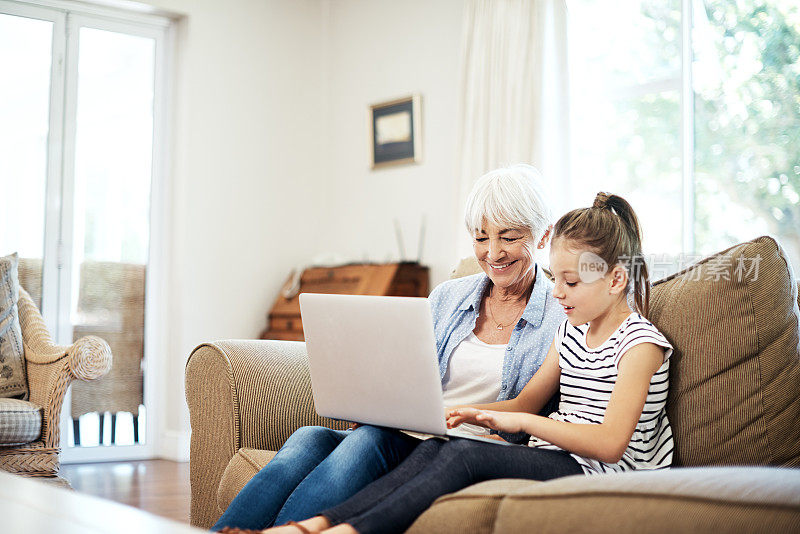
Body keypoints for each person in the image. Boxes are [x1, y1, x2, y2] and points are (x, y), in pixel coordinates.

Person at [258, 192, 674, 534]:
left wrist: (525, 426)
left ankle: (344, 531)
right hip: (560, 455)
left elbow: (609, 444)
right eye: (556, 278)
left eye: (571, 283)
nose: (559, 293)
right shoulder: (572, 331)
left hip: (605, 473)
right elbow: (525, 402)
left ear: (616, 280)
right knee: (443, 446)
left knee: (463, 456)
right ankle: (315, 524)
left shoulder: (640, 345)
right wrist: (467, 414)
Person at [211, 164, 565, 532]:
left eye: (508, 238)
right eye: (480, 238)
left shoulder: (562, 313)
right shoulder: (448, 296)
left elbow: (543, 412)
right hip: (412, 429)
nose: (493, 252)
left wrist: (455, 415)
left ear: (542, 236)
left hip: (461, 445)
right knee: (309, 437)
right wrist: (374, 400)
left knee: (367, 441)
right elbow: (407, 372)